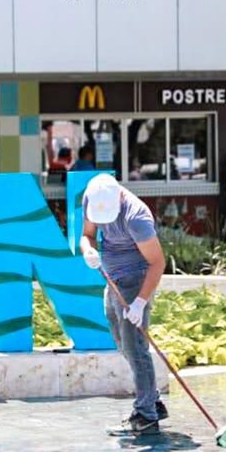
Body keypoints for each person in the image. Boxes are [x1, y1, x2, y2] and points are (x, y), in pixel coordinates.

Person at [78, 174, 168, 436]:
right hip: (112, 279)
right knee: (123, 343)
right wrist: (88, 251)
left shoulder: (136, 217)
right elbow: (87, 235)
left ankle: (145, 416)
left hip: (137, 280)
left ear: (119, 197)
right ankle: (152, 400)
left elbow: (157, 263)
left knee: (135, 348)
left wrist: (140, 302)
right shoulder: (92, 198)